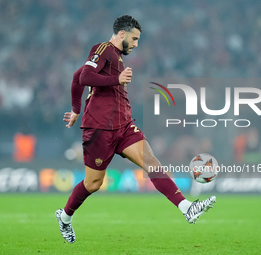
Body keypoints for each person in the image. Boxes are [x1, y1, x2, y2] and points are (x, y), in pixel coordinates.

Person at [56, 15, 216, 243]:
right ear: (122, 34)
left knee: (152, 162)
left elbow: (76, 77)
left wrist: (74, 109)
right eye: (134, 38)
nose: (136, 44)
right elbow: (83, 77)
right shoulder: (102, 49)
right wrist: (116, 80)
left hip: (123, 126)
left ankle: (186, 207)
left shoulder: (116, 57)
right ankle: (65, 217)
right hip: (99, 128)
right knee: (93, 183)